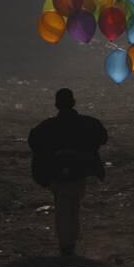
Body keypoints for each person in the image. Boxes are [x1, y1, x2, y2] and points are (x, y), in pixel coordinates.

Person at [28, 89, 108, 256]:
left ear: (57, 105)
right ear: (73, 103)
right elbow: (102, 138)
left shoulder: (46, 127)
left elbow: (33, 142)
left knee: (63, 208)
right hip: (79, 172)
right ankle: (70, 243)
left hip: (57, 173)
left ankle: (66, 244)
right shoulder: (89, 124)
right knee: (74, 205)